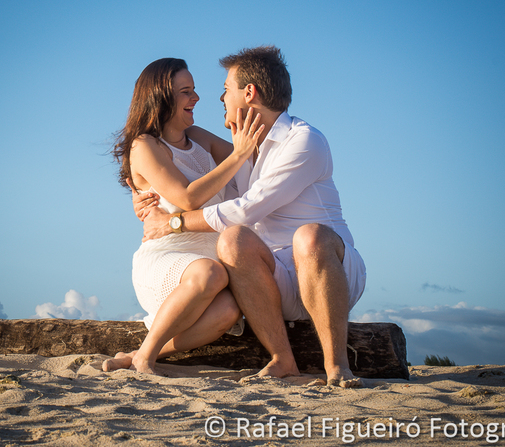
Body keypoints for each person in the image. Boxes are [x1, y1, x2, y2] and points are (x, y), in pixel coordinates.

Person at [136, 46, 367, 387]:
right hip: (273, 282)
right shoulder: (244, 149)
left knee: (308, 237)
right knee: (232, 239)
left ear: (249, 92)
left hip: (329, 274)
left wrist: (172, 222)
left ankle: (337, 367)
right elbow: (217, 202)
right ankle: (283, 359)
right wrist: (144, 199)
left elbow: (246, 208)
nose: (219, 98)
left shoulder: (303, 141)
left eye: (225, 89)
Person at [102, 57, 264, 375]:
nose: (196, 98)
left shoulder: (200, 138)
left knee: (229, 309)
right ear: (161, 97)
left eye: (194, 90)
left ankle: (140, 353)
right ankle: (146, 359)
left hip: (211, 267)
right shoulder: (145, 146)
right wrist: (239, 153)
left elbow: (257, 160)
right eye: (185, 91)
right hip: (168, 259)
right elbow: (188, 198)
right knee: (209, 274)